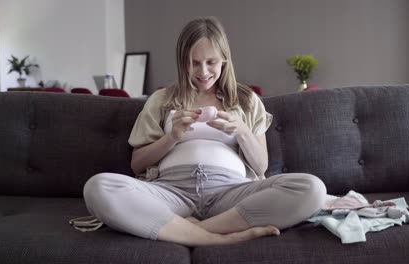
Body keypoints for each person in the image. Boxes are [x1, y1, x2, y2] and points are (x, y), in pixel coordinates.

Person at [83, 17, 326, 247]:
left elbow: (261, 167)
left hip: (231, 195)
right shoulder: (161, 100)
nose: (203, 72)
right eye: (194, 63)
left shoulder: (247, 101)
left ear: (224, 60)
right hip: (171, 193)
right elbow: (137, 165)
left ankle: (195, 230)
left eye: (211, 62)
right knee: (98, 187)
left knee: (312, 188)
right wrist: (173, 137)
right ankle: (218, 239)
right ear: (182, 61)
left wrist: (241, 131)